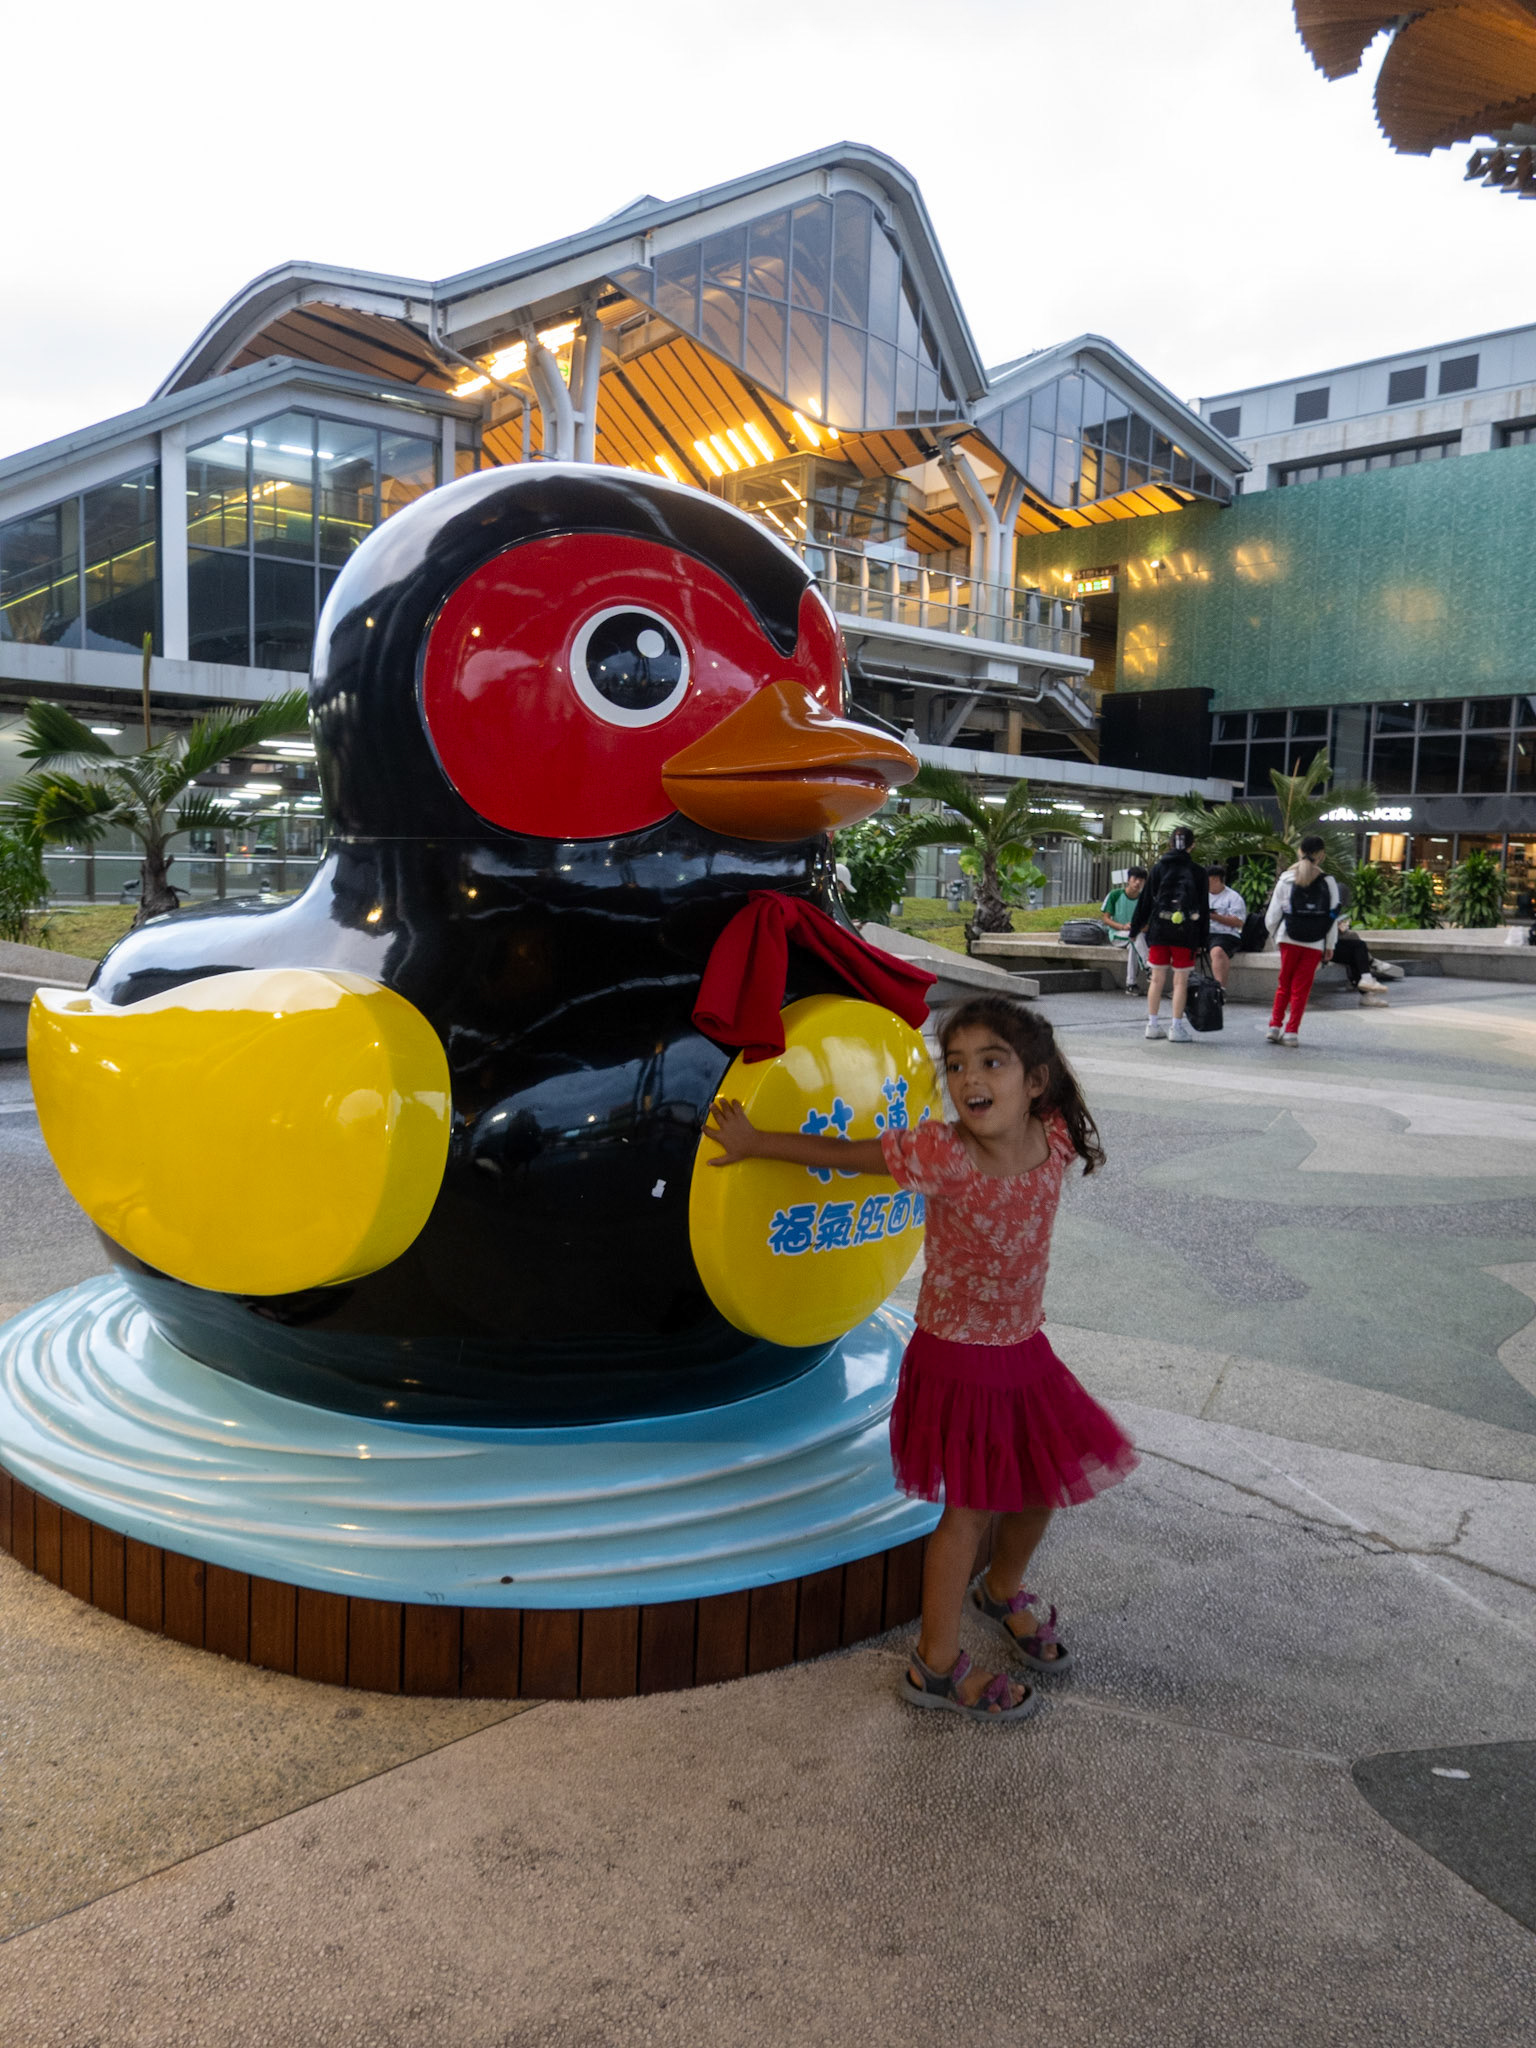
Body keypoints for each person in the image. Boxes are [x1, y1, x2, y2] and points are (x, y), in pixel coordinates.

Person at [705, 997, 1135, 1723]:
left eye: (991, 1061)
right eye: (958, 1063)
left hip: (1023, 1350)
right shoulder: (945, 1154)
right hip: (959, 1357)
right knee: (967, 1511)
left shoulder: (1053, 1136)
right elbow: (854, 1156)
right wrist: (758, 1142)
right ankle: (935, 1667)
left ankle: (1001, 1591)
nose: (970, 1076)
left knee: (1041, 1490)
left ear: (1035, 1082)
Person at [1129, 826, 1209, 1043]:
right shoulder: (1198, 872)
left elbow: (1145, 901)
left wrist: (1135, 929)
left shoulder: (1158, 869)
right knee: (1180, 982)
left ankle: (1152, 1025)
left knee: (1156, 979)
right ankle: (1176, 1027)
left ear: (1170, 844)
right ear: (1192, 845)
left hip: (1159, 930)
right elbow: (1203, 907)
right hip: (1186, 932)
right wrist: (1203, 940)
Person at [1265, 835, 1342, 1044]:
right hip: (1315, 942)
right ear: (1322, 855)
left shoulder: (1286, 879)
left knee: (1284, 984)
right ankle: (1291, 1032)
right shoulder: (1329, 882)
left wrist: (1276, 936)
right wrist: (1330, 944)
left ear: (1299, 851)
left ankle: (1274, 1026)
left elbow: (1272, 916)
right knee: (1301, 988)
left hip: (1288, 937)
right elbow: (1333, 917)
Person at [1101, 867, 1148, 994]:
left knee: (1134, 944)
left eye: (1141, 880)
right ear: (1128, 880)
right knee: (1135, 936)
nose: (1138, 883)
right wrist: (1122, 927)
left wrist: (1138, 928)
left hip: (1134, 937)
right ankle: (1148, 966)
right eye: (1135, 879)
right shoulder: (1115, 895)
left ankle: (1131, 984)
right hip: (1117, 935)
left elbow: (1148, 924)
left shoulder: (1145, 899)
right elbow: (1106, 919)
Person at [1331, 919, 1391, 1007]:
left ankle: (1366, 988)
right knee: (1357, 946)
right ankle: (1370, 967)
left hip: (1326, 942)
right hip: (1316, 945)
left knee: (1357, 947)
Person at [1204, 865, 1246, 989]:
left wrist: (1215, 916)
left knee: (1217, 951)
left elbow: (1238, 922)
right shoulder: (1201, 896)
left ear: (1216, 879)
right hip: (1205, 931)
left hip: (1225, 934)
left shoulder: (1233, 897)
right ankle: (1182, 987)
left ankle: (1219, 989)